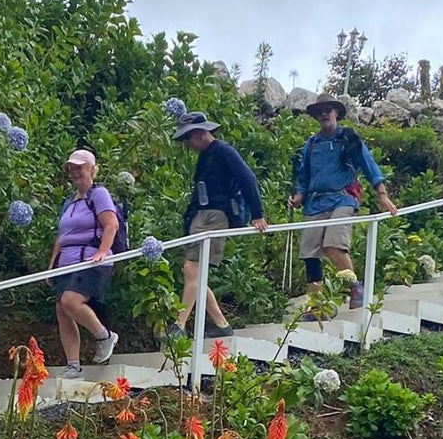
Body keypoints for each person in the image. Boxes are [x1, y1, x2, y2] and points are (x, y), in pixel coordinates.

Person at [289, 93, 396, 307]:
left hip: (342, 199)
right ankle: (316, 305)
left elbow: (368, 164)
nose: (323, 114)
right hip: (315, 202)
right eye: (319, 112)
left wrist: (382, 195)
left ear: (336, 112)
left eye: (327, 110)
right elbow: (304, 175)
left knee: (333, 246)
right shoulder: (311, 144)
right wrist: (299, 196)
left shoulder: (348, 138)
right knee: (310, 254)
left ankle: (355, 288)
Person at [170, 111, 267, 338]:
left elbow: (247, 178)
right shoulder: (206, 156)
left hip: (215, 216)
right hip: (202, 215)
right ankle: (223, 326)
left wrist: (257, 214)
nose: (187, 144)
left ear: (200, 134)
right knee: (196, 274)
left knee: (192, 269)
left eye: (188, 138)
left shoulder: (223, 151)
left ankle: (179, 325)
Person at [49, 149, 122, 377]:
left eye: (79, 167)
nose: (74, 172)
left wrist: (102, 252)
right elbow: (62, 237)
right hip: (68, 263)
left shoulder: (98, 194)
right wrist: (51, 267)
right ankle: (73, 364)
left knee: (71, 301)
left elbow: (111, 224)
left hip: (91, 261)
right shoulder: (69, 202)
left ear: (91, 168)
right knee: (62, 308)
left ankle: (104, 336)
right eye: (71, 168)